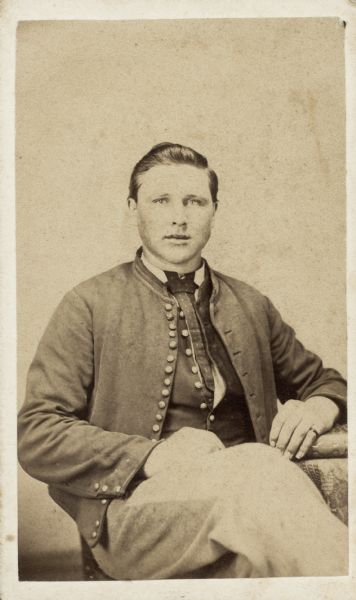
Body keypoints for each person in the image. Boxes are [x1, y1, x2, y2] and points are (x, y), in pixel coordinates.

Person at [18, 142, 348, 579]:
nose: (179, 217)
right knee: (264, 478)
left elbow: (327, 383)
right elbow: (37, 433)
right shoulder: (89, 304)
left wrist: (316, 409)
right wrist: (153, 456)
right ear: (133, 208)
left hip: (257, 493)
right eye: (161, 201)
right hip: (138, 508)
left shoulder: (250, 303)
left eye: (195, 201)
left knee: (263, 508)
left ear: (214, 209)